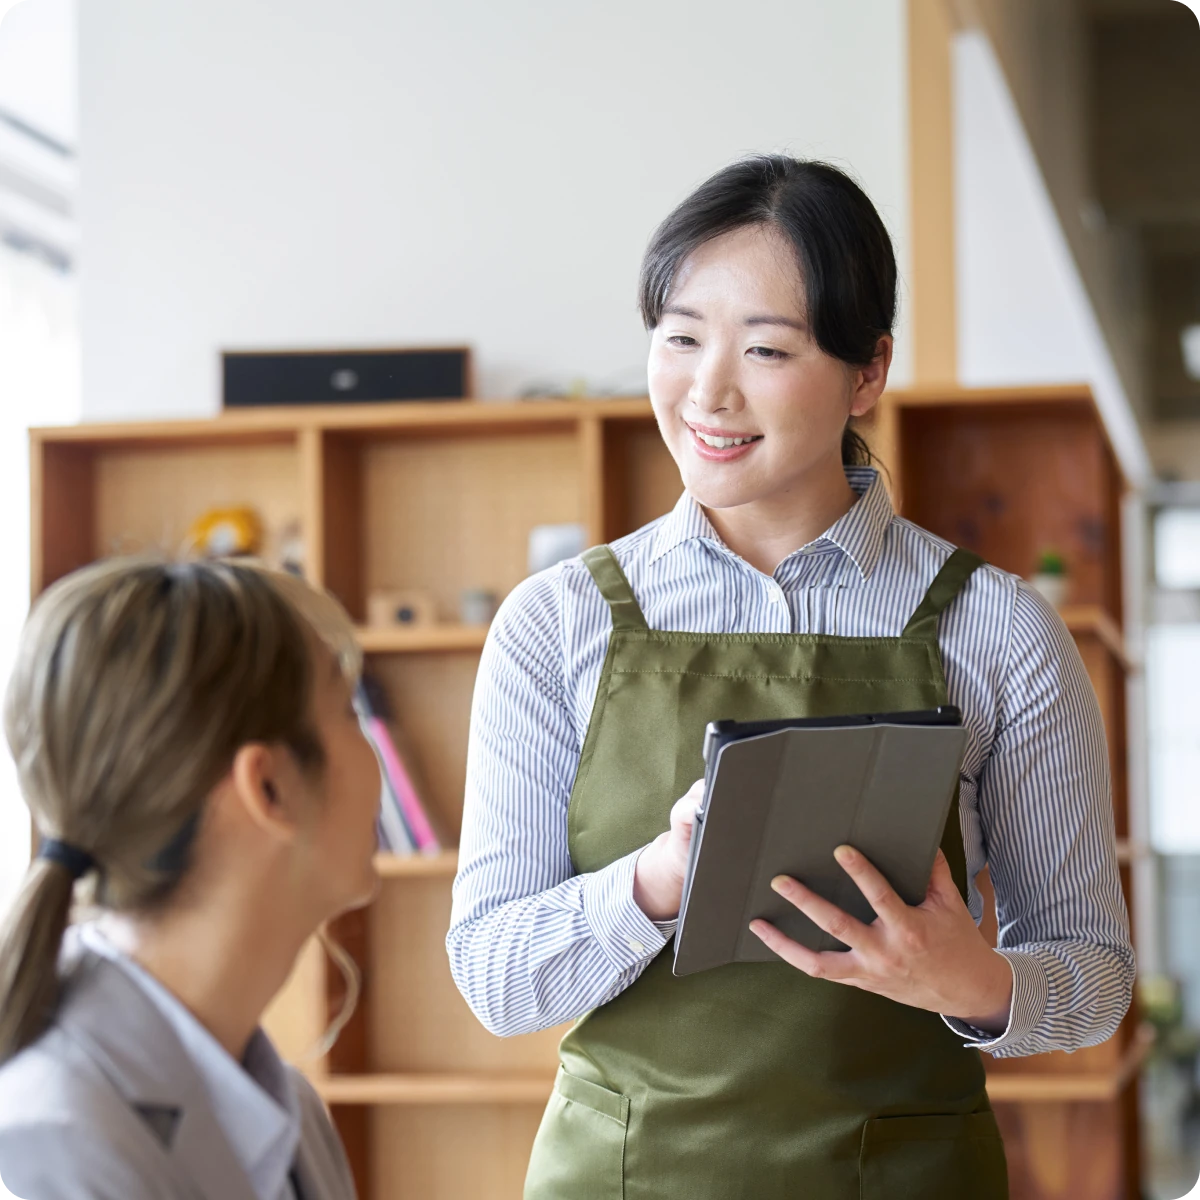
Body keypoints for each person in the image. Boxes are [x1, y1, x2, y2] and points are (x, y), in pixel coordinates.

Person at [447, 155, 1134, 1199]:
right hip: (624, 1179)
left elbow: (1095, 973)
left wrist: (976, 981)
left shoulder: (998, 631)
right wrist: (658, 881)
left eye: (767, 349)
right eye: (679, 338)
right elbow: (495, 979)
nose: (707, 391)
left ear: (868, 373)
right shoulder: (558, 625)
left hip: (902, 1177)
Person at [0, 558, 380, 1200]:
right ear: (268, 787)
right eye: (348, 711)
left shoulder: (294, 1120)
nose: (373, 756)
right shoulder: (51, 1149)